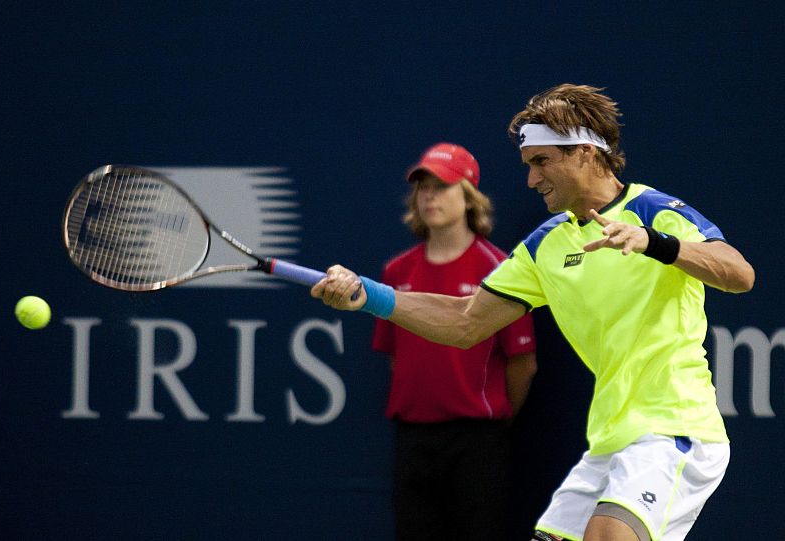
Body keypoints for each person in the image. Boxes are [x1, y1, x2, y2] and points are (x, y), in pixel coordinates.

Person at [312, 84, 755, 541]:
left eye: (542, 162)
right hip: (610, 440)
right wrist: (370, 296)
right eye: (528, 165)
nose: (531, 179)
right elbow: (467, 321)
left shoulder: (655, 211)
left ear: (585, 152)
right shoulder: (546, 243)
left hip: (674, 429)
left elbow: (739, 274)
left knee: (610, 536)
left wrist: (653, 242)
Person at [373, 142, 537, 540]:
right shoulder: (397, 270)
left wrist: (490, 421)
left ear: (468, 196)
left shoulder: (500, 269)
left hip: (478, 442)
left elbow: (522, 364)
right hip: (413, 439)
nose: (429, 196)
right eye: (422, 187)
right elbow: (397, 357)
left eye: (441, 186)